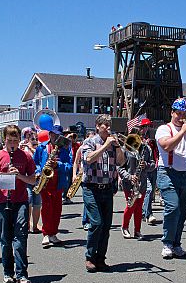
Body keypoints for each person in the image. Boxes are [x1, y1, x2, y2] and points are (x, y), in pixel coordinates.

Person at [155, 98, 186, 259]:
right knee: (173, 207)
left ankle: (176, 242)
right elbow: (167, 146)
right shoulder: (164, 128)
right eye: (178, 113)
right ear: (172, 112)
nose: (181, 116)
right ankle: (167, 242)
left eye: (183, 114)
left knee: (183, 211)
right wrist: (183, 131)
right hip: (168, 172)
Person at [0, 125, 36, 283]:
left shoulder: (26, 157)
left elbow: (33, 180)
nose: (13, 144)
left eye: (15, 140)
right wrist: (5, 181)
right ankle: (8, 272)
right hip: (3, 201)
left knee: (21, 237)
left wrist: (18, 175)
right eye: (10, 140)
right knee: (5, 240)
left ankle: (22, 274)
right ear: (5, 140)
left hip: (20, 201)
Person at [81, 114, 125, 272]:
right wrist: (105, 145)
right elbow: (88, 159)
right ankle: (90, 257)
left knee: (106, 226)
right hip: (91, 188)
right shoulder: (90, 142)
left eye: (109, 125)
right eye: (104, 125)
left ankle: (100, 258)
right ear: (97, 126)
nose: (107, 128)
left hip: (107, 188)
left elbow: (121, 162)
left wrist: (118, 146)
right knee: (97, 222)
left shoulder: (113, 144)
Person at [34, 124, 72, 247]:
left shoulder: (65, 149)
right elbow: (35, 164)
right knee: (46, 209)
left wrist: (58, 165)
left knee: (57, 209)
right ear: (49, 134)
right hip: (45, 182)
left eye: (57, 135)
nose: (54, 137)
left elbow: (69, 166)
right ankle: (46, 234)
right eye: (52, 134)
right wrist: (39, 172)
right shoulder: (42, 147)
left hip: (58, 182)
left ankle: (53, 234)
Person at [118, 127, 155, 239]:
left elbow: (153, 164)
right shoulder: (125, 149)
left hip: (142, 182)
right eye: (135, 136)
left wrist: (147, 165)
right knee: (131, 205)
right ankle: (124, 227)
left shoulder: (146, 148)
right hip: (129, 183)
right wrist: (129, 177)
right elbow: (120, 168)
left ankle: (137, 230)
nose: (138, 139)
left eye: (139, 136)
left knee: (139, 207)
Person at [21, 127, 42, 234]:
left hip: (38, 177)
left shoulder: (38, 148)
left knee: (37, 203)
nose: (33, 139)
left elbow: (39, 158)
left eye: (34, 137)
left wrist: (32, 148)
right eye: (29, 137)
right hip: (27, 178)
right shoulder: (23, 148)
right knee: (28, 201)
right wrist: (26, 148)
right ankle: (28, 224)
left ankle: (35, 225)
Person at [139, 118, 158, 226]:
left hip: (153, 167)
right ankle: (148, 214)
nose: (146, 128)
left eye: (148, 126)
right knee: (149, 190)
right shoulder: (138, 138)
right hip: (143, 168)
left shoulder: (153, 139)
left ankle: (143, 212)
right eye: (144, 126)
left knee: (150, 193)